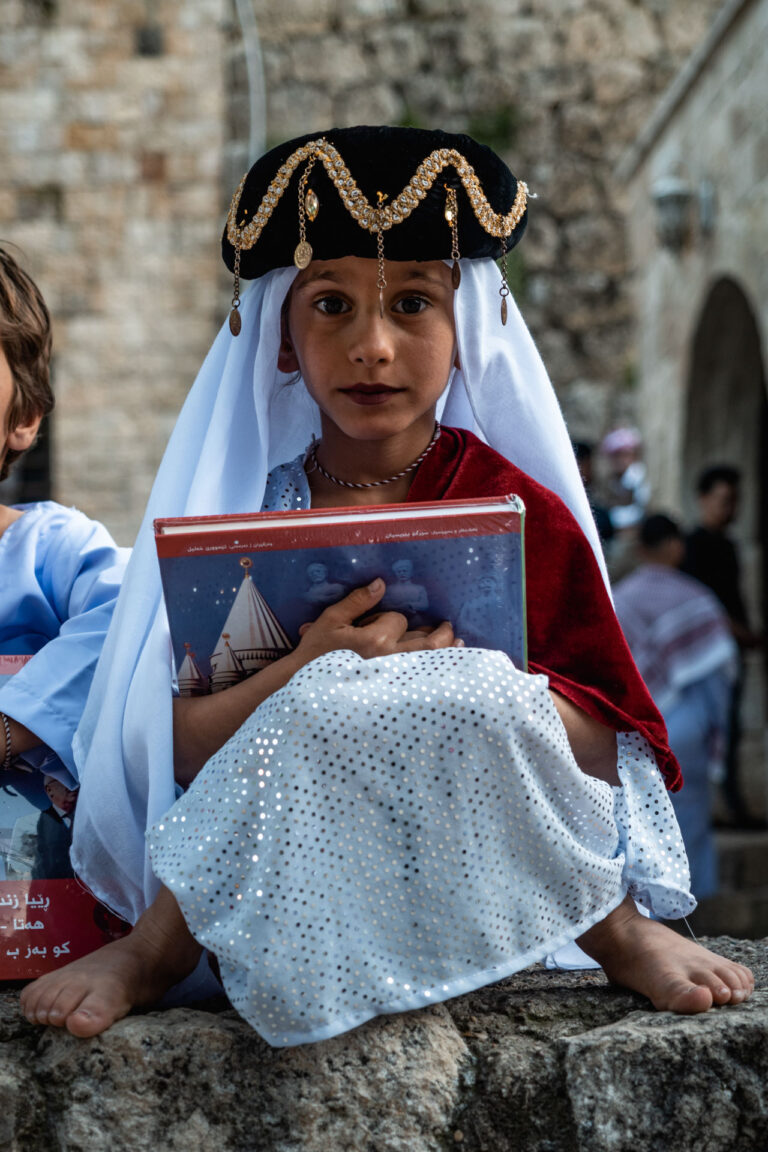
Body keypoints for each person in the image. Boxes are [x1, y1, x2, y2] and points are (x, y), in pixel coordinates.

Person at [20, 127, 753, 1042]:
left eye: (413, 302)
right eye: (330, 305)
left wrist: (459, 687)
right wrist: (309, 667)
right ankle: (161, 945)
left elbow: (608, 743)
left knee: (462, 690)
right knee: (326, 696)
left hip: (482, 872)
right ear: (282, 338)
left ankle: (614, 926)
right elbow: (172, 753)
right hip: (301, 878)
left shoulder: (518, 511)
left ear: (468, 330)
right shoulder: (252, 524)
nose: (372, 344)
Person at [0, 246, 127, 841]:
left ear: (22, 417)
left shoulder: (54, 549)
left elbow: (129, 622)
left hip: (36, 886)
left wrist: (12, 723)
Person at [614, 514, 737, 899]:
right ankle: (693, 913)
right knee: (691, 821)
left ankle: (644, 911)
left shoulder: (619, 598)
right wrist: (720, 736)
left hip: (636, 732)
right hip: (687, 729)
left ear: (640, 550)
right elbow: (718, 678)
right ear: (676, 546)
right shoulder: (697, 598)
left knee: (636, 822)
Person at [682, 465, 763, 826]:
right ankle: (716, 807)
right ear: (703, 500)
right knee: (708, 732)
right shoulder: (694, 546)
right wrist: (739, 631)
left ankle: (730, 806)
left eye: (734, 501)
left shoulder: (727, 546)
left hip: (730, 654)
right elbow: (702, 607)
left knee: (727, 731)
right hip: (705, 659)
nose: (730, 509)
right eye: (723, 500)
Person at [32, 776, 78, 880]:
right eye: (65, 783)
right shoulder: (47, 820)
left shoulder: (88, 812)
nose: (72, 787)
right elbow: (44, 860)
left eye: (74, 782)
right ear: (49, 790)